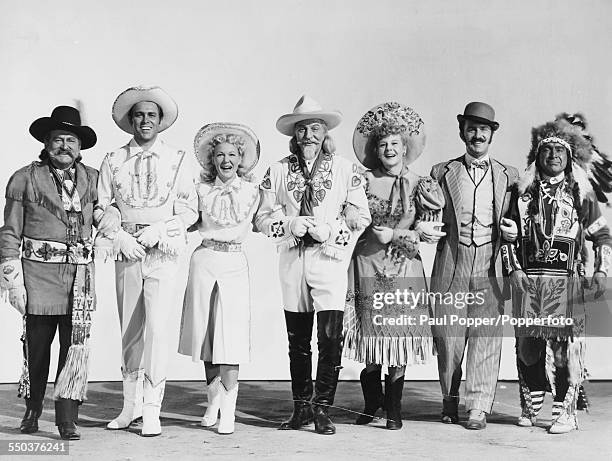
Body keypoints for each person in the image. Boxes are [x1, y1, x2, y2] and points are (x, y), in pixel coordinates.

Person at [255, 95, 371, 435]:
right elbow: (260, 218)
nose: (309, 135)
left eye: (315, 128)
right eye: (303, 128)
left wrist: (332, 229)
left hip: (329, 260)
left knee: (330, 337)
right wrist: (289, 225)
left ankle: (323, 408)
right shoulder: (277, 170)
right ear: (294, 133)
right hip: (292, 258)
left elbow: (361, 215)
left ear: (325, 133)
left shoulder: (345, 169)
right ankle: (300, 407)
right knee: (297, 338)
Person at [0, 105, 108, 440]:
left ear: (80, 146)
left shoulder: (93, 179)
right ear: (46, 143)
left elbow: (105, 213)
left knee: (74, 348)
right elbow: (9, 232)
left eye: (71, 140)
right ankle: (32, 409)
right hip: (37, 278)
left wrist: (112, 224)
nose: (65, 146)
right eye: (58, 139)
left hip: (79, 278)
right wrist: (12, 280)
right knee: (37, 347)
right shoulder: (25, 177)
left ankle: (66, 417)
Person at [96, 85, 198, 436]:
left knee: (156, 327)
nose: (144, 121)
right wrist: (119, 233)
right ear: (130, 120)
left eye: (151, 115)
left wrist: (161, 229)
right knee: (130, 328)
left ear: (160, 121)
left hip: (161, 250)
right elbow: (102, 205)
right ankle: (129, 407)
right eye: (138, 115)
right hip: (127, 250)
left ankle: (152, 409)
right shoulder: (113, 160)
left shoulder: (178, 159)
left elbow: (189, 209)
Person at [501, 118, 611, 433]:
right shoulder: (521, 193)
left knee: (566, 347)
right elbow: (507, 238)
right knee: (527, 345)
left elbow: (602, 236)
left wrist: (601, 269)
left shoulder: (581, 193)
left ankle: (566, 410)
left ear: (569, 156)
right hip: (529, 279)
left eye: (559, 150)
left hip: (567, 279)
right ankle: (532, 398)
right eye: (546, 150)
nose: (552, 156)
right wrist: (514, 268)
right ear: (537, 156)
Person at [343, 102, 445, 429]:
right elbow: (349, 220)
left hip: (403, 268)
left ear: (405, 148)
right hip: (367, 265)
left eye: (394, 144)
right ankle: (373, 403)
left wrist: (397, 234)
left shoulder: (421, 184)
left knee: (398, 338)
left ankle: (394, 409)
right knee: (372, 340)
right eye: (383, 144)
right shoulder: (361, 181)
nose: (388, 149)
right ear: (376, 149)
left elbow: (430, 234)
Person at [427, 102, 519, 430]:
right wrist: (426, 227)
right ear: (461, 131)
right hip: (453, 261)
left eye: (483, 129)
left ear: (492, 134)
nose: (477, 134)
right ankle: (450, 399)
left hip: (490, 264)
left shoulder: (509, 175)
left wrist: (514, 232)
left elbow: (519, 218)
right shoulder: (441, 172)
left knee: (487, 336)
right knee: (449, 336)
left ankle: (478, 407)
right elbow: (428, 215)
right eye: (471, 128)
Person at [178, 122, 261, 435]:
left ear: (241, 159)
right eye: (220, 155)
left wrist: (282, 225)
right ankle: (212, 401)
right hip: (204, 261)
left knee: (231, 337)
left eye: (232, 154)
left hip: (234, 263)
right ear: (211, 160)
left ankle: (229, 409)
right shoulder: (200, 190)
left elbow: (267, 219)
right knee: (206, 334)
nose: (226, 160)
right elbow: (185, 219)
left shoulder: (254, 192)